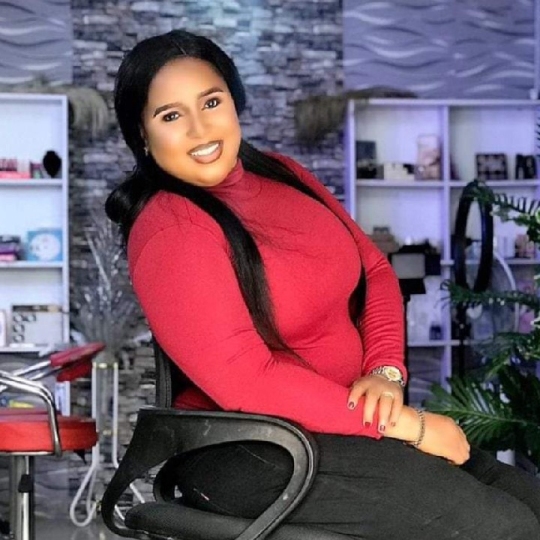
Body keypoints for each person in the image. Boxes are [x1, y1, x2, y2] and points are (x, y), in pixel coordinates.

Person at [105, 29, 540, 540]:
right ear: (142, 134)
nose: (200, 128)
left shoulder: (283, 173)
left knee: (530, 504)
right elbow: (246, 380)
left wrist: (385, 372)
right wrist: (411, 425)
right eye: (170, 116)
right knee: (502, 527)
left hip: (346, 425)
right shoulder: (171, 228)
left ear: (234, 102)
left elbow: (374, 270)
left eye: (212, 102)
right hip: (250, 449)